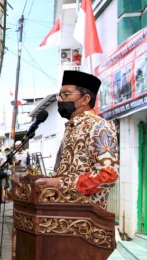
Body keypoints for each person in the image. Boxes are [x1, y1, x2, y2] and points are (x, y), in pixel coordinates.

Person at [35, 70, 119, 210]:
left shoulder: (98, 126)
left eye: (66, 94)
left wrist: (60, 183)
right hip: (65, 214)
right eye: (60, 95)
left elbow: (108, 175)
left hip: (86, 218)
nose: (60, 99)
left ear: (85, 99)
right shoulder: (72, 127)